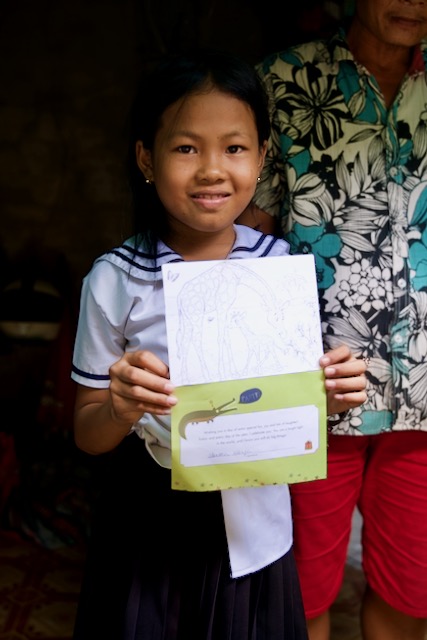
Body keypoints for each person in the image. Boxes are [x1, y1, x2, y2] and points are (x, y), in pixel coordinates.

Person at [70, 49, 367, 640]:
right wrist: (121, 406)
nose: (212, 169)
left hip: (254, 531)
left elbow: (293, 411)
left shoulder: (281, 270)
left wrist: (329, 396)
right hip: (149, 526)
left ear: (260, 159)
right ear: (145, 159)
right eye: (186, 148)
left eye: (234, 147)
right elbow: (88, 433)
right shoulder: (115, 278)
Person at [237, 1, 427, 639]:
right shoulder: (283, 82)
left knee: (411, 594)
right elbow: (246, 232)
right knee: (299, 594)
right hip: (310, 391)